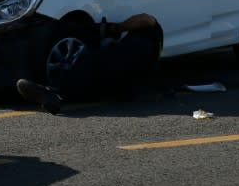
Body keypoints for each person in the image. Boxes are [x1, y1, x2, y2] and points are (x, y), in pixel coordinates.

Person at [17, 13, 163, 114]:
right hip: (123, 87)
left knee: (87, 60)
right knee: (93, 83)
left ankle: (55, 92)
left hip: (118, 69)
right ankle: (58, 97)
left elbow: (146, 19)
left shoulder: (149, 36)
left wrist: (116, 28)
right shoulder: (149, 57)